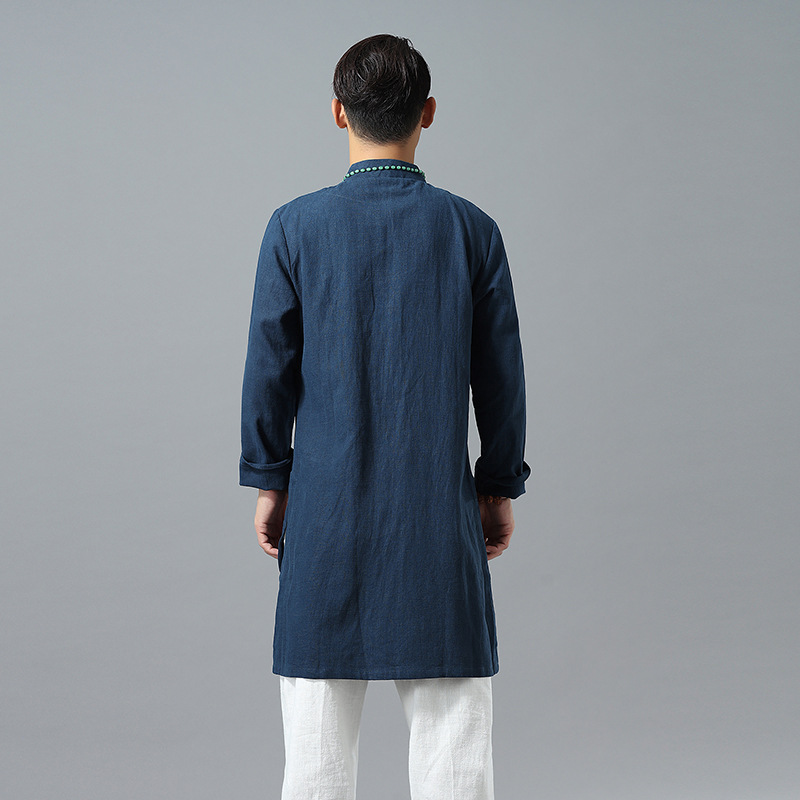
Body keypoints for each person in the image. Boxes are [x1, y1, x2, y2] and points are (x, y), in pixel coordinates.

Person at [239, 33, 530, 800]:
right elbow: (501, 380)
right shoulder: (471, 231)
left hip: (325, 520)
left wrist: (270, 481)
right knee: (455, 757)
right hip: (436, 520)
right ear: (427, 113)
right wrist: (497, 486)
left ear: (339, 112)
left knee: (315, 764)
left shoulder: (293, 228)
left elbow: (269, 370)